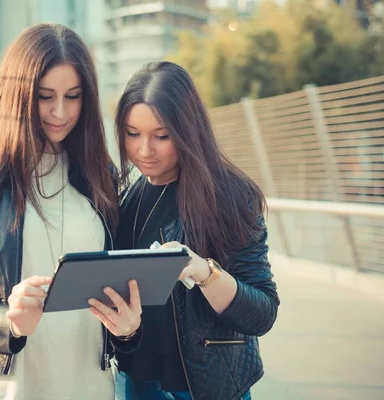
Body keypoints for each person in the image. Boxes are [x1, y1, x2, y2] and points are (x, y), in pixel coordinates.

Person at [0, 23, 141, 400]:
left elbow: (117, 280)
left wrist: (127, 329)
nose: (60, 112)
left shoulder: (99, 172)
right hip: (1, 387)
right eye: (45, 96)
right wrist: (7, 321)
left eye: (73, 96)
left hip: (85, 384)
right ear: (18, 94)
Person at [111, 61, 280, 400]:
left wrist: (204, 272)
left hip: (206, 386)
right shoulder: (126, 194)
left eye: (162, 136)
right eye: (133, 134)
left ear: (188, 130)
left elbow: (262, 311)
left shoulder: (228, 195)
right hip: (136, 382)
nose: (144, 151)